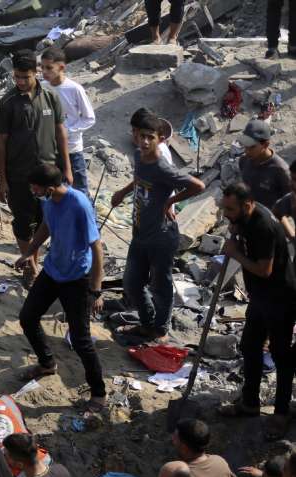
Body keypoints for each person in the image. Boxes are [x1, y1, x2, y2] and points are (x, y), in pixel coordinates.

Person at [16, 162, 107, 409]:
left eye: (36, 187)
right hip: (53, 269)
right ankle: (47, 364)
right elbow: (46, 226)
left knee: (81, 340)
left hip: (77, 278)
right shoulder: (48, 201)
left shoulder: (79, 204)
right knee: (28, 317)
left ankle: (98, 392)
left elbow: (97, 248)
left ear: (51, 187)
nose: (33, 191)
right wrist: (30, 251)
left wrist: (96, 290)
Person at [110, 113, 205, 343]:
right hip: (140, 233)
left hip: (161, 237)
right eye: (140, 136)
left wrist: (170, 201)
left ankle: (159, 330)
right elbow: (139, 176)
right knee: (132, 283)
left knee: (160, 287)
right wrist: (123, 192)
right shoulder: (139, 156)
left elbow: (198, 186)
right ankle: (147, 323)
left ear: (159, 139)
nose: (143, 142)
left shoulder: (164, 167)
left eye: (149, 137)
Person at [218, 182, 296, 431]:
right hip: (261, 296)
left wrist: (235, 253)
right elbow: (239, 226)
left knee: (280, 354)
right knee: (250, 345)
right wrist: (235, 225)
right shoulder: (246, 216)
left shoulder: (263, 226)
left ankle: (281, 412)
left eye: (230, 209)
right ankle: (250, 403)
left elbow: (265, 270)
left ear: (247, 205)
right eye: (224, 208)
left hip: (280, 297)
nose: (226, 213)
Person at [0, 50, 71, 282]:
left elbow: (60, 132)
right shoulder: (7, 103)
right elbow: (1, 142)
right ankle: (30, 267)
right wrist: (2, 179)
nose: (20, 82)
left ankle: (35, 263)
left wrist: (66, 167)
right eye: (16, 77)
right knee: (22, 223)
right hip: (20, 176)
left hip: (49, 173)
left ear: (35, 73)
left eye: (24, 77)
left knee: (44, 222)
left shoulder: (50, 98)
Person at [39, 47, 95, 196]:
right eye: (42, 67)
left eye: (49, 68)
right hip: (51, 151)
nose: (44, 72)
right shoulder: (43, 88)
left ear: (61, 67)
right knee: (52, 191)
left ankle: (88, 219)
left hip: (72, 149)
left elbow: (89, 118)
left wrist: (68, 131)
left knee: (79, 191)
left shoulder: (74, 89)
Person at [238, 120, 291, 210]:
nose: (246, 151)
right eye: (245, 146)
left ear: (265, 145)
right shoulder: (244, 161)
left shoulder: (281, 171)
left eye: (251, 147)